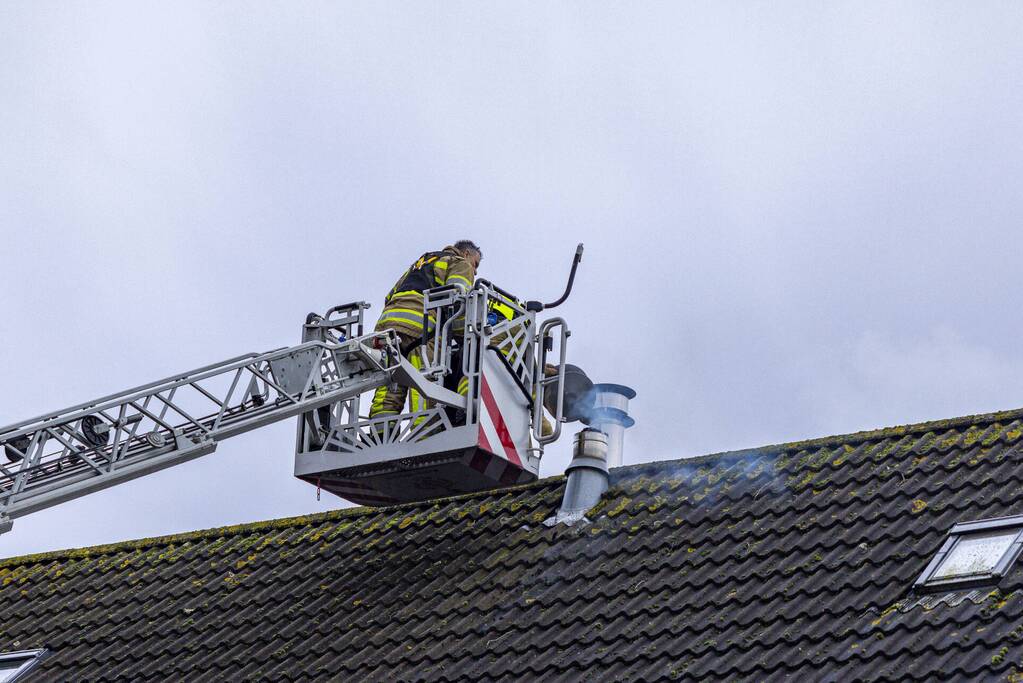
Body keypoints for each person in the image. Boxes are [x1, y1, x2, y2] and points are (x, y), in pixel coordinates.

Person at [369, 240, 482, 421]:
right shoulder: (460, 263)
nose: (475, 271)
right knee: (421, 384)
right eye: (475, 265)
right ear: (466, 254)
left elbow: (389, 296)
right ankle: (423, 434)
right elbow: (457, 301)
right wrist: (466, 340)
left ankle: (379, 434)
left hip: (386, 329)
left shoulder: (420, 263)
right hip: (420, 331)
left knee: (389, 390)